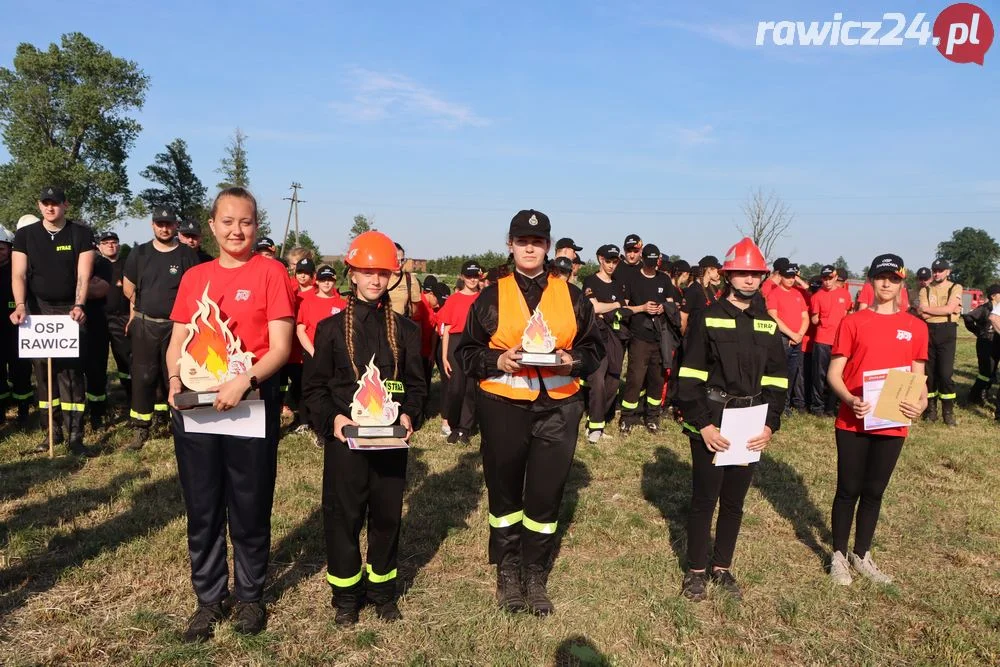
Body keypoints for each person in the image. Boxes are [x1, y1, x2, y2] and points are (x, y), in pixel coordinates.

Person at [457, 209, 602, 616]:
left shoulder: (572, 296)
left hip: (559, 407)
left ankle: (535, 572)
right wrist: (495, 362)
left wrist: (570, 361)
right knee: (504, 492)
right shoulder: (492, 294)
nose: (530, 248)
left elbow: (595, 350)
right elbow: (465, 352)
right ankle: (508, 571)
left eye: (537, 242)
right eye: (522, 241)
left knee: (545, 494)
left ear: (548, 247)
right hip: (503, 405)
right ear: (510, 244)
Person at [166, 187, 294, 641]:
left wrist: (246, 381)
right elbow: (179, 341)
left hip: (250, 406)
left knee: (249, 504)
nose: (237, 230)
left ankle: (250, 596)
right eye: (227, 221)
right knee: (202, 507)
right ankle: (208, 598)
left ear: (256, 226)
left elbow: (281, 347)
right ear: (212, 225)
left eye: (246, 222)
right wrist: (174, 380)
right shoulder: (195, 276)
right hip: (196, 413)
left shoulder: (271, 272)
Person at [303, 230, 425, 626]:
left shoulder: (406, 330)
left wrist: (408, 415)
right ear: (351, 273)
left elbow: (418, 386)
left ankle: (383, 592)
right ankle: (345, 597)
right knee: (344, 517)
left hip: (390, 443)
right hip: (346, 444)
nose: (375, 280)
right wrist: (334, 420)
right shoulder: (331, 329)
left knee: (387, 517)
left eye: (383, 272)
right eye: (366, 271)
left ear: (392, 275)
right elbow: (315, 389)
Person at [675, 237, 787, 602]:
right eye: (742, 273)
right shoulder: (707, 318)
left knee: (735, 501)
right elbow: (689, 377)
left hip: (751, 422)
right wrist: (704, 425)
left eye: (755, 274)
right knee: (704, 499)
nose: (749, 280)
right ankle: (695, 572)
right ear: (728, 276)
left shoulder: (767, 323)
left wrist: (770, 424)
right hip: (713, 419)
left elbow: (777, 379)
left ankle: (722, 567)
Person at [826, 254, 928, 586]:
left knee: (874, 490)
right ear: (871, 280)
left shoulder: (916, 327)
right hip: (854, 420)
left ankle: (862, 553)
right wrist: (851, 399)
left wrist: (922, 405)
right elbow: (834, 374)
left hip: (893, 420)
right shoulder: (853, 322)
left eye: (894, 279)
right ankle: (838, 555)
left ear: (902, 282)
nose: (887, 284)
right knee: (848, 488)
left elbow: (919, 380)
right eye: (881, 277)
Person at [10, 187, 96, 455]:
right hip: (37, 312)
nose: (50, 208)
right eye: (46, 203)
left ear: (65, 205)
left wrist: (80, 304)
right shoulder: (25, 235)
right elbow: (19, 274)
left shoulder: (80, 233)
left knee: (71, 375)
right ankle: (51, 432)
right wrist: (21, 305)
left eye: (55, 203)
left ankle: (75, 435)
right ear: (39, 205)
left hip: (71, 311)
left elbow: (84, 275)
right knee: (44, 375)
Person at [123, 206, 200, 450]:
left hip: (177, 327)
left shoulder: (187, 254)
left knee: (175, 377)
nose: (164, 228)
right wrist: (140, 311)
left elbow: (196, 291)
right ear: (152, 224)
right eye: (160, 223)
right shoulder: (140, 252)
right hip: (146, 324)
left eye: (168, 223)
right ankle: (140, 427)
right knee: (144, 376)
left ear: (176, 225)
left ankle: (179, 423)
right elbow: (128, 287)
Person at [619, 244, 677, 434]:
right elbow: (624, 307)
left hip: (660, 338)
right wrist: (643, 308)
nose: (652, 266)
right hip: (639, 337)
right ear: (643, 259)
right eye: (649, 262)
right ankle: (627, 417)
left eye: (655, 262)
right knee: (635, 379)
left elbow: (673, 302)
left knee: (656, 379)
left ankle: (652, 417)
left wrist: (663, 307)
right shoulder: (633, 279)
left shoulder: (664, 279)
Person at [296, 265, 347, 440]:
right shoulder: (307, 302)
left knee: (331, 391)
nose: (327, 283)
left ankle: (325, 427)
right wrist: (313, 351)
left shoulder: (342, 304)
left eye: (330, 279)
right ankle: (306, 421)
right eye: (323, 279)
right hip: (313, 354)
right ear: (317, 281)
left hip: (336, 357)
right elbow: (300, 329)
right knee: (311, 388)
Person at [581, 244, 626, 442]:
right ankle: (594, 429)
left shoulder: (618, 283)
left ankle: (595, 420)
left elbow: (625, 307)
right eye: (608, 260)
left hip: (615, 336)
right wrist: (616, 305)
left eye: (615, 261)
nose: (611, 265)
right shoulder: (590, 281)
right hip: (596, 337)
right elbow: (595, 307)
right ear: (600, 259)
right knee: (597, 380)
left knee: (613, 381)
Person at [436, 260, 482, 444]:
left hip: (474, 343)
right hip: (455, 343)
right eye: (469, 276)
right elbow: (446, 329)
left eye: (475, 276)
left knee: (471, 387)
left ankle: (465, 428)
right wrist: (444, 356)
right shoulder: (454, 299)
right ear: (462, 277)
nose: (472, 279)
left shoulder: (482, 298)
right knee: (455, 388)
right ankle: (452, 424)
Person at [917, 259, 963, 426]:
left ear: (948, 272)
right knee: (929, 374)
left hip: (947, 331)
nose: (936, 273)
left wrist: (933, 310)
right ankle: (931, 410)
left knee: (945, 374)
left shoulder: (955, 287)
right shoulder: (925, 290)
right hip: (928, 331)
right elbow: (923, 315)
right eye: (934, 270)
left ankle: (948, 411)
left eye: (940, 270)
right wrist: (944, 310)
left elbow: (949, 309)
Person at [766, 262, 809, 415]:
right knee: (779, 374)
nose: (791, 280)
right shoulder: (774, 293)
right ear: (781, 277)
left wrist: (799, 335)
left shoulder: (798, 294)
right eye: (788, 277)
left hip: (797, 340)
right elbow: (773, 317)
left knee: (791, 374)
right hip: (782, 339)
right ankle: (776, 405)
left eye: (793, 277)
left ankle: (786, 404)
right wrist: (792, 334)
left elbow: (805, 317)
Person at [0, 226, 33, 425]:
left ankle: (23, 412)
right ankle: (1, 413)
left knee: (21, 371)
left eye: (2, 248)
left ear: (10, 248)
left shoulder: (19, 270)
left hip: (18, 329)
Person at [96, 231, 132, 412]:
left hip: (122, 318)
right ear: (99, 246)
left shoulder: (127, 264)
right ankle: (99, 405)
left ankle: (132, 397)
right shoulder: (94, 264)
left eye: (114, 242)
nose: (110, 245)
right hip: (100, 319)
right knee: (98, 361)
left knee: (125, 360)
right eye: (106, 242)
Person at [809, 265, 852, 416]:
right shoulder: (816, 297)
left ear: (835, 277)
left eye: (830, 278)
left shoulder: (845, 295)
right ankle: (817, 407)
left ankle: (831, 408)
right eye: (824, 279)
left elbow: (847, 314)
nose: (827, 282)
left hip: (839, 341)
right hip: (822, 340)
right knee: (819, 375)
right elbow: (814, 320)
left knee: (836, 375)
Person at [83, 236, 112, 429]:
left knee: (96, 372)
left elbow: (99, 290)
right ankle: (74, 418)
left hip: (96, 323)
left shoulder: (101, 262)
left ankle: (97, 413)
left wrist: (73, 285)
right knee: (70, 374)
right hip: (69, 324)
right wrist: (85, 283)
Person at [965, 284, 1000, 406]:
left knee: (992, 372)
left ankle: (984, 393)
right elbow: (968, 317)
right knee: (986, 372)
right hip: (985, 343)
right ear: (993, 296)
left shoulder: (998, 308)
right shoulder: (984, 308)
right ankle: (975, 395)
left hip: (996, 342)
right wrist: (978, 331)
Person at [680, 255, 722, 335]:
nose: (718, 272)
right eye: (717, 269)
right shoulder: (693, 290)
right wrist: (684, 338)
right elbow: (683, 316)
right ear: (709, 270)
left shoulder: (713, 288)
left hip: (711, 335)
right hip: (695, 336)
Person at [387, 242, 421, 317]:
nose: (400, 264)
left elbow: (414, 308)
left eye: (402, 260)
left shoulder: (410, 280)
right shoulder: (380, 277)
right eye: (396, 260)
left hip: (401, 325)